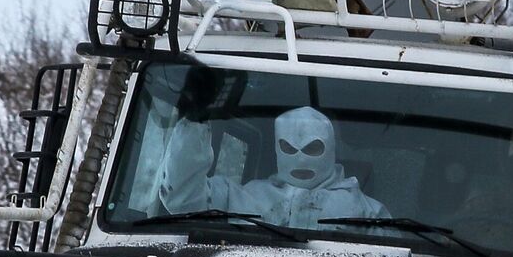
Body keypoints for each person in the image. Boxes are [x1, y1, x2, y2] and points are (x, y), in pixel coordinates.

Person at [154, 104, 389, 228]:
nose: (300, 159)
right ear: (278, 149)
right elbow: (183, 198)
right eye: (289, 148)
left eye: (312, 149)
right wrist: (193, 124)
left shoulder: (367, 213)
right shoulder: (243, 199)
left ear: (330, 150)